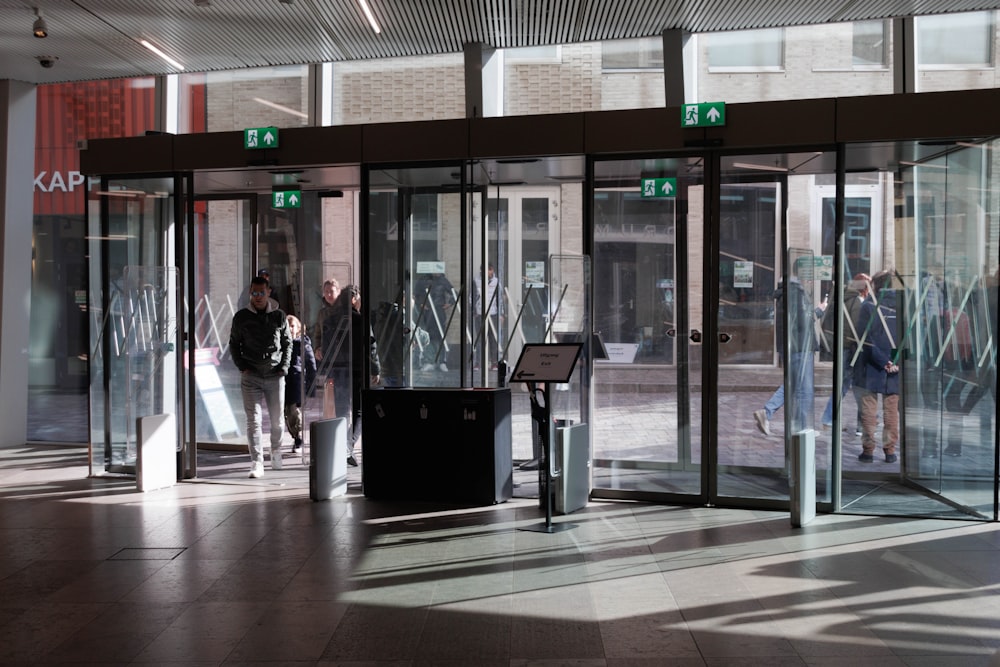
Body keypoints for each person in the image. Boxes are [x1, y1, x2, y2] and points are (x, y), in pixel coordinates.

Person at [229, 275, 292, 478]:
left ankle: (276, 452)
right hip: (251, 376)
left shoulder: (279, 316)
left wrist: (284, 366)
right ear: (250, 293)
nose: (257, 296)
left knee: (277, 421)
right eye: (254, 293)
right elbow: (233, 344)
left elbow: (287, 343)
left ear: (268, 292)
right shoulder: (241, 317)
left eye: (261, 292)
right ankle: (257, 462)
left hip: (275, 376)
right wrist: (241, 366)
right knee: (253, 421)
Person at [753, 265, 825, 436]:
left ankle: (766, 412)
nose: (810, 280)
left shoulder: (785, 292)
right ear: (800, 275)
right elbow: (802, 321)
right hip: (800, 346)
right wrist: (818, 311)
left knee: (792, 384)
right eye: (808, 275)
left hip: (790, 347)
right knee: (804, 388)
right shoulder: (796, 293)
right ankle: (802, 427)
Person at [327, 285, 381, 466]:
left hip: (339, 369)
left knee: (342, 411)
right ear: (353, 299)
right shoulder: (360, 320)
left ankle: (344, 448)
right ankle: (347, 446)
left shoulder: (332, 319)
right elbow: (370, 347)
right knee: (359, 411)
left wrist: (327, 370)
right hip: (359, 369)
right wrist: (376, 369)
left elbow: (327, 348)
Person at [854, 270, 901, 463]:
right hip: (894, 364)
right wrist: (894, 362)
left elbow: (865, 339)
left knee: (869, 410)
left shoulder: (868, 306)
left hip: (872, 365)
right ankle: (889, 451)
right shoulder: (902, 306)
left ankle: (868, 451)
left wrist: (883, 362)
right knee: (891, 411)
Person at [820, 273, 870, 433]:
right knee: (854, 386)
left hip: (843, 345)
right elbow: (856, 327)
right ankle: (862, 423)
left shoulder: (844, 297)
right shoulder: (855, 301)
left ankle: (830, 419)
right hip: (851, 348)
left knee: (845, 385)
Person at [284, 314, 316, 453]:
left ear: (298, 328)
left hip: (296, 382)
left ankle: (299, 438)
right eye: (287, 326)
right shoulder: (281, 343)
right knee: (286, 413)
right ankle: (295, 436)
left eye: (292, 326)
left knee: (294, 411)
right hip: (283, 382)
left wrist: (311, 388)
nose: (290, 329)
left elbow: (311, 365)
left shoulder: (303, 344)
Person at [414, 271, 456, 371]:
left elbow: (454, 293)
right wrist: (421, 304)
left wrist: (449, 304)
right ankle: (430, 361)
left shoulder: (443, 280)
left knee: (441, 336)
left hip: (439, 311)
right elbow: (416, 294)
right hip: (428, 312)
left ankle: (442, 362)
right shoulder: (423, 280)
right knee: (429, 336)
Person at [473, 263, 503, 369]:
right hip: (480, 313)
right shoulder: (476, 281)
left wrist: (501, 313)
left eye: (490, 270)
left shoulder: (496, 281)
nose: (489, 272)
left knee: (493, 338)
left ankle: (494, 362)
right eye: (487, 270)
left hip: (493, 314)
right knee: (480, 339)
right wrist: (474, 311)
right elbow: (472, 297)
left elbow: (500, 298)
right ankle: (478, 363)